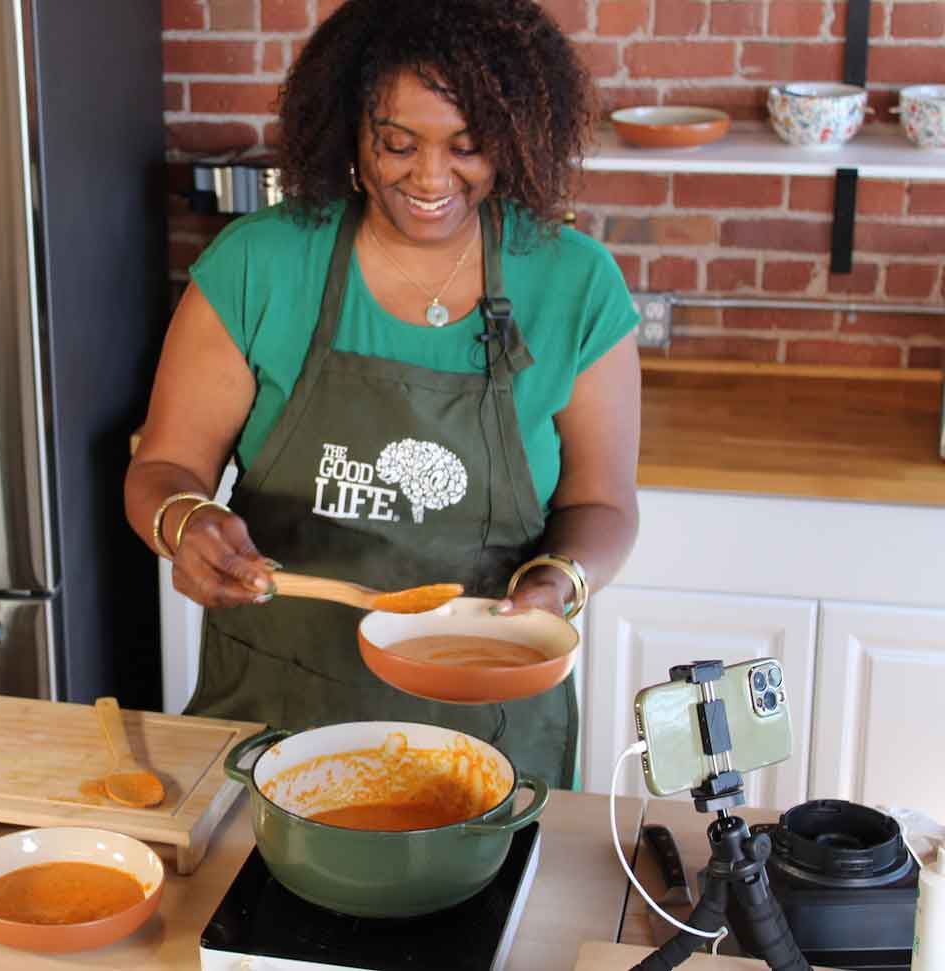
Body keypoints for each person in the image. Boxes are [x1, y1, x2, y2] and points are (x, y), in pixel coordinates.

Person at [125, 0, 640, 788]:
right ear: (350, 131)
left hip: (489, 734)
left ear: (515, 137)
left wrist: (561, 580)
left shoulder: (575, 282)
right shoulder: (261, 264)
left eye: (468, 147)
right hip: (275, 716)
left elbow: (603, 506)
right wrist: (181, 520)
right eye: (397, 143)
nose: (430, 178)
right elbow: (161, 466)